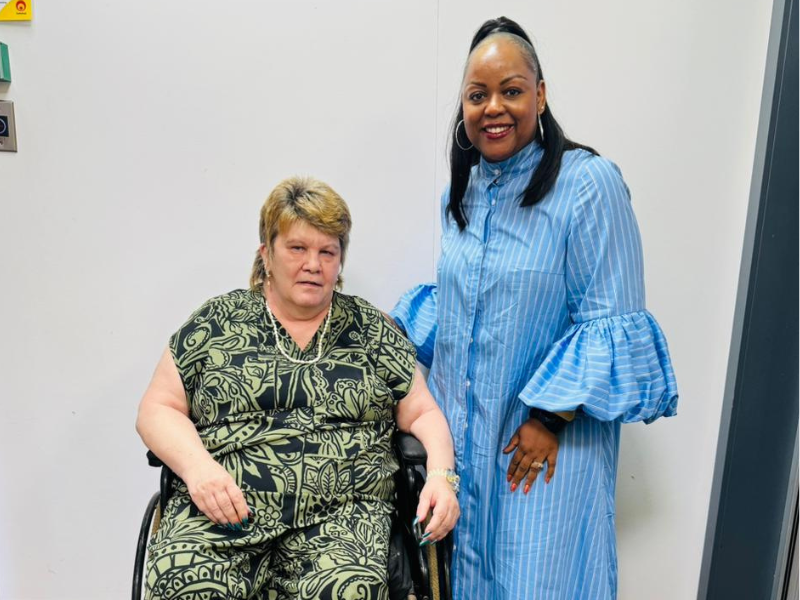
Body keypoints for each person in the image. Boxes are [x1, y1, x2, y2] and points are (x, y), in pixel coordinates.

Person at [391, 17, 678, 600]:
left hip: (542, 453)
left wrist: (550, 420)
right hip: (464, 450)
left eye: (511, 90)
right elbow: (458, 310)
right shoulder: (459, 193)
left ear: (540, 94)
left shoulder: (588, 185)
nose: (493, 107)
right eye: (477, 95)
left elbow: (612, 321)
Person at [136, 176, 459, 600]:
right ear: (266, 254)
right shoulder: (216, 323)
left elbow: (422, 412)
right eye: (297, 249)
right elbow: (157, 409)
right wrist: (199, 469)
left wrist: (440, 477)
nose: (314, 264)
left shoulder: (371, 331)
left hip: (342, 517)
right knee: (186, 582)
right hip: (223, 510)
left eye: (328, 251)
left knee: (348, 590)